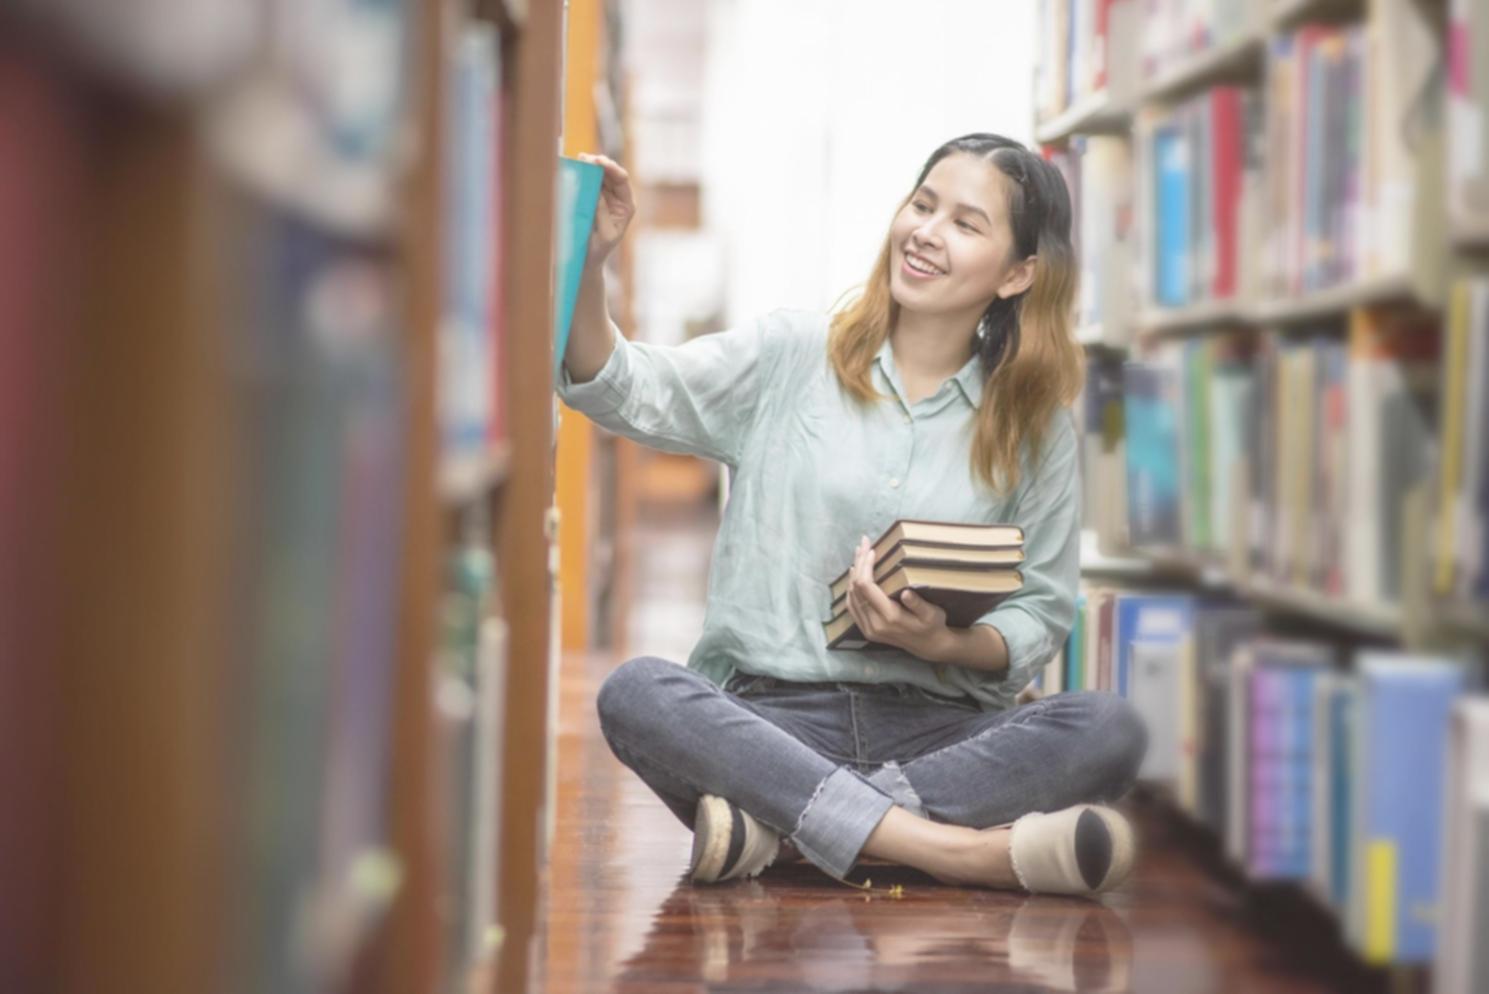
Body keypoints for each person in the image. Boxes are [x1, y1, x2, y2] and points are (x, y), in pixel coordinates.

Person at [559, 133, 1147, 897]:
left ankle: (781, 832)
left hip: (938, 730)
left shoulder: (1034, 427)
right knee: (637, 693)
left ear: (1017, 274)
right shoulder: (792, 355)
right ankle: (954, 851)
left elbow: (1038, 611)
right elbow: (616, 383)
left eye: (966, 224)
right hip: (770, 724)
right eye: (923, 204)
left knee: (1111, 728)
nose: (927, 232)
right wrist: (590, 261)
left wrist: (944, 640)